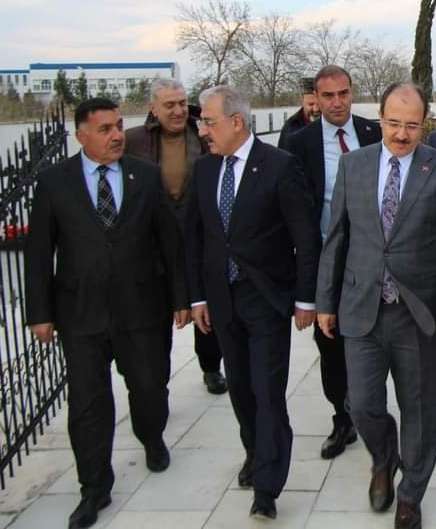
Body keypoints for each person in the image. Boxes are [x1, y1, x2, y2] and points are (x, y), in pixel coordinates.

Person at [25, 97, 189, 529]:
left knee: (150, 388)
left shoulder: (146, 177)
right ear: (81, 135)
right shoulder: (53, 182)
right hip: (80, 314)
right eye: (105, 129)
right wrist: (39, 312)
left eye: (119, 126)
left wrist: (180, 299)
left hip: (142, 309)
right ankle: (94, 488)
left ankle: (151, 436)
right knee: (87, 405)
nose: (117, 135)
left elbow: (169, 243)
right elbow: (39, 252)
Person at [316, 82, 436, 529]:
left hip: (417, 312)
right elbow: (338, 237)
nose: (402, 135)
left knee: (420, 408)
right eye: (393, 123)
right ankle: (383, 459)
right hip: (360, 306)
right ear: (379, 117)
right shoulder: (354, 165)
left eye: (411, 125)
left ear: (425, 123)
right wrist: (326, 300)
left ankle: (410, 494)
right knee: (362, 404)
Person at [186, 85, 319, 521]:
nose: (202, 129)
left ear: (236, 122)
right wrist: (198, 296)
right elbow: (196, 238)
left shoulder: (279, 166)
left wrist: (305, 298)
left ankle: (267, 484)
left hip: (266, 298)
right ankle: (255, 452)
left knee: (267, 391)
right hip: (222, 300)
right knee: (241, 389)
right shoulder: (204, 170)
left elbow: (304, 235)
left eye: (208, 120)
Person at [286, 65, 382, 459]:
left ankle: (370, 410)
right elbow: (296, 213)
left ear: (351, 92)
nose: (337, 102)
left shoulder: (374, 132)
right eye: (328, 96)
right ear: (316, 99)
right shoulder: (299, 143)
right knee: (331, 344)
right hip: (329, 260)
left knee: (374, 340)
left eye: (343, 93)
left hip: (374, 259)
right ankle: (342, 419)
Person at [123, 77, 227, 395]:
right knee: (158, 315)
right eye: (170, 105)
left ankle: (211, 366)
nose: (178, 110)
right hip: (154, 242)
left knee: (205, 305)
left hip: (199, 235)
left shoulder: (203, 133)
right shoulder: (134, 140)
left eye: (182, 103)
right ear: (153, 108)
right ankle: (157, 381)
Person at [277, 77, 322, 149]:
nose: (316, 109)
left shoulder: (334, 122)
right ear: (302, 99)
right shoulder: (291, 127)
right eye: (311, 104)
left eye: (319, 104)